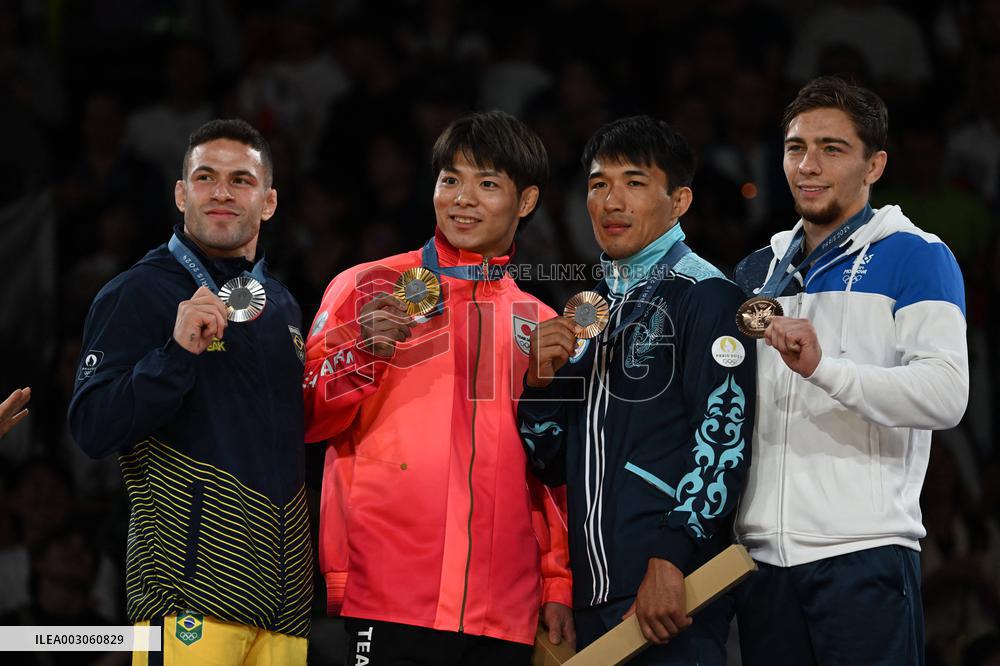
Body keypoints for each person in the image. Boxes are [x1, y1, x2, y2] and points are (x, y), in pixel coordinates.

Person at [302, 110, 573, 666]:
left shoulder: (541, 323)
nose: (462, 199)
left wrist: (556, 584)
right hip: (387, 593)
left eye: (488, 184)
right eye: (450, 180)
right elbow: (303, 416)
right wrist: (361, 356)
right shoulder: (368, 286)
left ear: (526, 202)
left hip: (504, 607)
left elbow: (554, 471)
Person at [732, 76, 969, 666]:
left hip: (863, 552)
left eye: (832, 149)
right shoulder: (758, 271)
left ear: (874, 164)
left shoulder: (916, 254)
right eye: (795, 148)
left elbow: (946, 395)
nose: (807, 166)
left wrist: (826, 370)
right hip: (762, 561)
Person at [68, 119, 312, 666]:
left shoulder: (283, 307)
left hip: (286, 609)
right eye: (205, 177)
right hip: (189, 606)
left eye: (241, 180)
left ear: (268, 201)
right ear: (182, 194)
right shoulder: (137, 292)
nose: (222, 192)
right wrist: (174, 355)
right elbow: (92, 428)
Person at [517, 115, 756, 664]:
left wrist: (671, 559)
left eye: (634, 182)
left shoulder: (707, 297)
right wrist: (540, 384)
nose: (611, 201)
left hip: (669, 593)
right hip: (593, 598)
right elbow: (548, 459)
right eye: (598, 184)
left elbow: (722, 438)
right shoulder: (587, 312)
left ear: (680, 201)